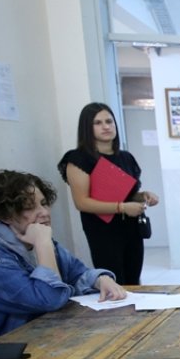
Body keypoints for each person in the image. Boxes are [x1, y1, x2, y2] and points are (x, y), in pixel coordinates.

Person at [0, 170, 127, 359]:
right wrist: (43, 244)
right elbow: (49, 300)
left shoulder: (35, 239)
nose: (44, 212)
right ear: (5, 215)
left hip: (16, 347)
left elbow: (76, 272)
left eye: (43, 203)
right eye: (29, 207)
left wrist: (101, 279)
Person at [57, 102, 160, 285]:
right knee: (115, 280)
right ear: (87, 128)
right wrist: (121, 207)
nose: (106, 126)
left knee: (133, 279)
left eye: (109, 121)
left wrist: (143, 196)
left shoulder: (125, 157)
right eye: (97, 123)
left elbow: (128, 194)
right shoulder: (79, 158)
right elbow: (82, 202)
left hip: (131, 227)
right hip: (103, 230)